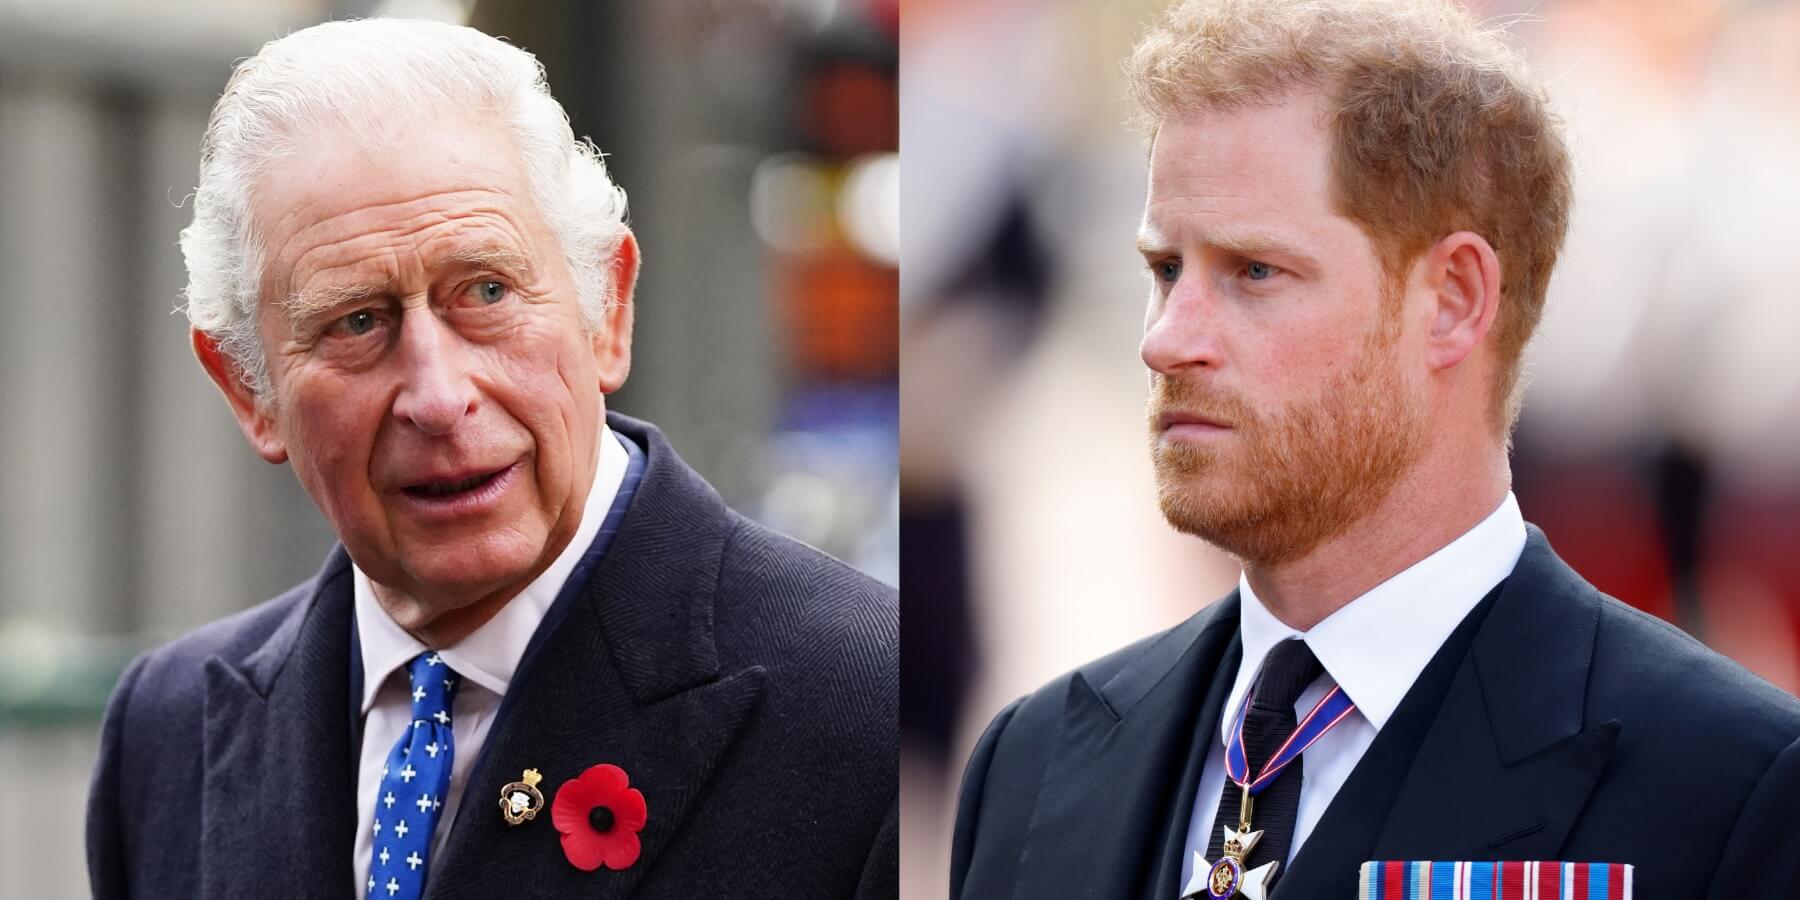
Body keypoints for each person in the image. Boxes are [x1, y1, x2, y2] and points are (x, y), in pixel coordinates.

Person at [949, 1, 1800, 898]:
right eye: (1166, 270)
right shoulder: (1030, 765)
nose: (1165, 340)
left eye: (1254, 271)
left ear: (1453, 300)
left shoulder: (1728, 789)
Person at [85, 18, 896, 900]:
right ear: (249, 389)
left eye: (486, 291)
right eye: (357, 322)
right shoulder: (170, 736)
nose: (438, 398)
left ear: (606, 310)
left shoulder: (874, 709)